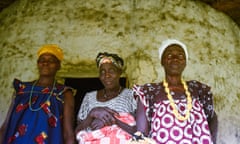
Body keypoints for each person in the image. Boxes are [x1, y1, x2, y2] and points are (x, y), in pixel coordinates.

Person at [132, 39, 218, 144]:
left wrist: (212, 140)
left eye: (180, 56)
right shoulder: (149, 92)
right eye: (169, 55)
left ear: (185, 62)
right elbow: (142, 133)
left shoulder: (198, 89)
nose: (175, 59)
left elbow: (212, 118)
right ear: (162, 61)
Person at [0, 44, 75, 144]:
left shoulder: (63, 93)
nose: (45, 63)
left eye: (51, 60)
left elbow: (68, 133)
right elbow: (6, 124)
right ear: (38, 63)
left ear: (58, 65)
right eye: (42, 59)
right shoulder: (22, 89)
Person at [75, 52, 137, 144]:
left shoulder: (131, 95)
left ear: (119, 72)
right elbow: (77, 132)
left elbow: (139, 131)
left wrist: (112, 121)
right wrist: (92, 114)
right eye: (102, 72)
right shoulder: (89, 97)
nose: (107, 75)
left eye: (111, 71)